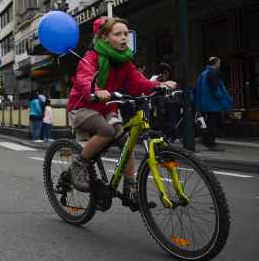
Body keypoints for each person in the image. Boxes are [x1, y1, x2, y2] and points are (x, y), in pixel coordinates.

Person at [67, 16, 176, 210]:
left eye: (126, 33)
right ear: (104, 37)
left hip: (108, 107)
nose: (124, 37)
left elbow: (138, 83)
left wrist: (160, 85)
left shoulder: (124, 61)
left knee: (127, 141)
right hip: (83, 107)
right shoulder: (90, 58)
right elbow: (84, 79)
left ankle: (130, 189)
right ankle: (79, 164)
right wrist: (95, 91)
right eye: (118, 34)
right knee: (107, 131)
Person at [195, 56, 234, 151]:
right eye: (219, 63)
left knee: (208, 122)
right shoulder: (213, 73)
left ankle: (207, 140)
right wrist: (223, 99)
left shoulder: (203, 73)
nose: (219, 65)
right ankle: (210, 142)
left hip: (205, 103)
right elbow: (215, 89)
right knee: (213, 123)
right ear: (215, 63)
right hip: (213, 104)